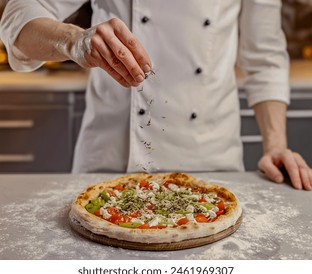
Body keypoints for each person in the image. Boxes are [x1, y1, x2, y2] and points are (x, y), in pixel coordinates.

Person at [0, 0, 311, 190]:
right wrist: (75, 41)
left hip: (211, 166)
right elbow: (17, 18)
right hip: (109, 165)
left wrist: (276, 146)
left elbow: (265, 57)